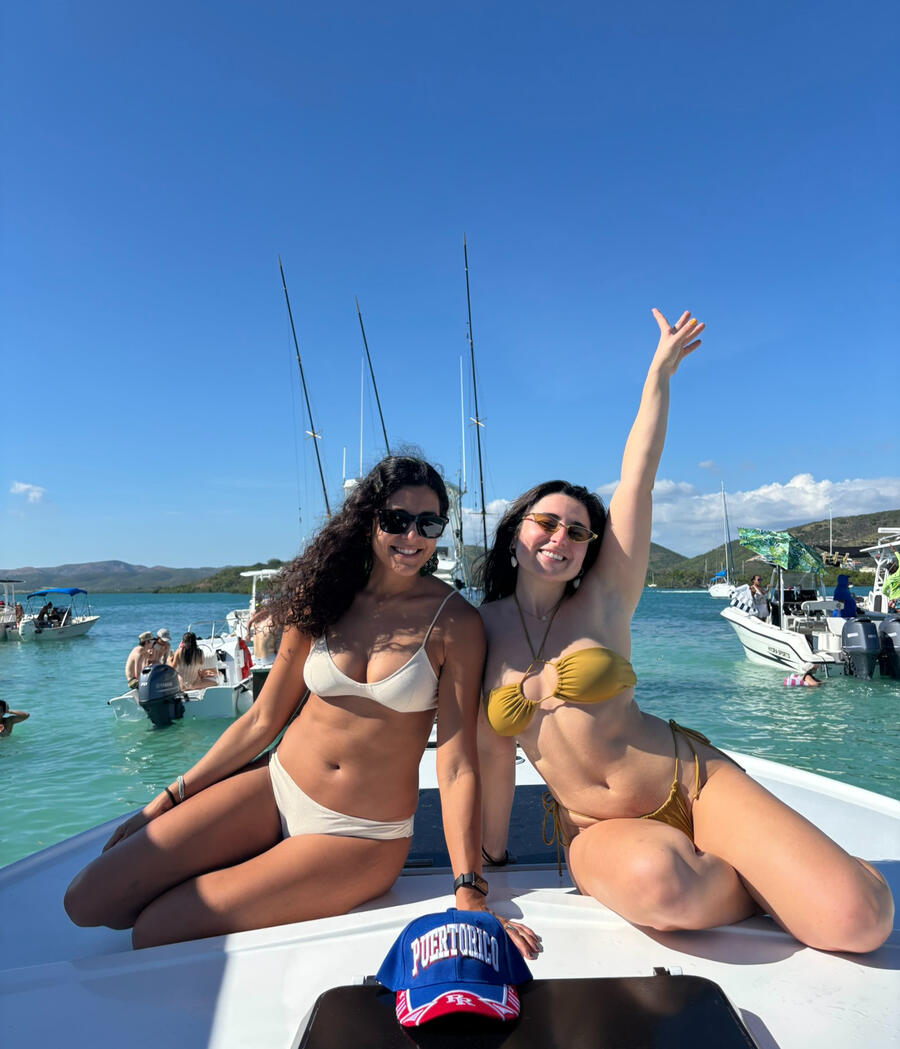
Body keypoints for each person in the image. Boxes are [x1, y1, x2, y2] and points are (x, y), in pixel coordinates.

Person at [477, 308, 893, 954]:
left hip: (692, 780)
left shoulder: (606, 599)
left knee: (861, 920)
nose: (561, 537)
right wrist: (486, 869)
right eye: (546, 523)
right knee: (663, 883)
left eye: (578, 531)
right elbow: (487, 758)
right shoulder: (477, 629)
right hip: (598, 827)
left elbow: (637, 476)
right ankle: (773, 884)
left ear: (590, 549)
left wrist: (659, 373)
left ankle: (806, 881)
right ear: (515, 533)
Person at [64, 456, 540, 957]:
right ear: (370, 519)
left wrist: (469, 890)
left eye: (429, 524)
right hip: (278, 786)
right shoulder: (323, 598)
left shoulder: (455, 623)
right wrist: (168, 798)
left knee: (156, 929)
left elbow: (457, 763)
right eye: (397, 519)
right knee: (88, 901)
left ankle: (261, 870)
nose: (412, 536)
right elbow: (261, 720)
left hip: (361, 835)